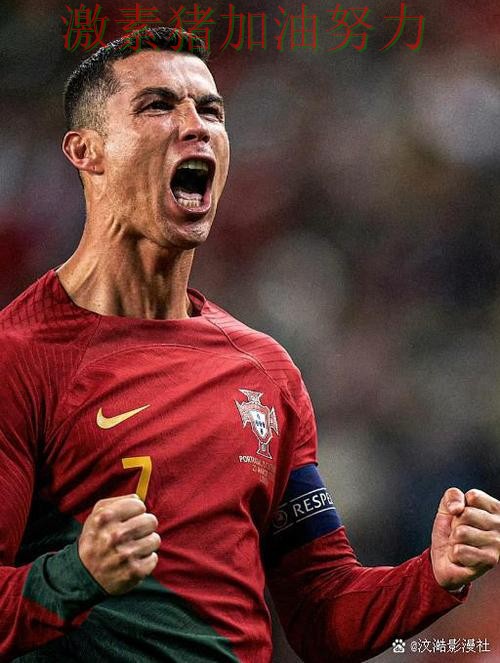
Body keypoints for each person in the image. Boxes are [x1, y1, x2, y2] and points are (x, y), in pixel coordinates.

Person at [0, 26, 498, 663]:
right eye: (158, 106)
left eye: (211, 111)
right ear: (86, 151)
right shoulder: (20, 358)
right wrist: (74, 576)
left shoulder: (264, 371)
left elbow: (323, 614)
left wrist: (433, 576)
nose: (196, 126)